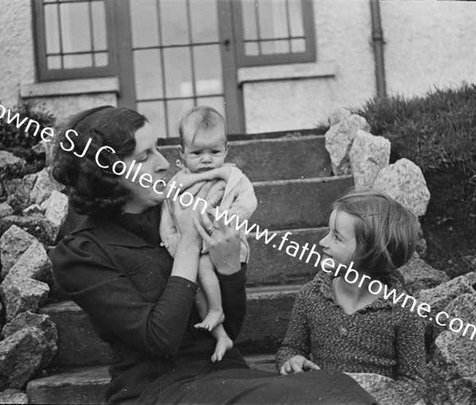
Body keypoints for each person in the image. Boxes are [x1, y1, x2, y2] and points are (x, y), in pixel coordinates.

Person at [49, 105, 377, 404]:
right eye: (144, 156)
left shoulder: (174, 211)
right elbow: (159, 338)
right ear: (106, 172)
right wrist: (190, 243)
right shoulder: (81, 253)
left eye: (158, 149)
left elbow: (228, 329)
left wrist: (230, 269)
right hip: (157, 390)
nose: (163, 163)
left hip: (223, 373)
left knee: (338, 389)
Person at [276, 190, 427, 405]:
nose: (322, 242)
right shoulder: (311, 296)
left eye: (336, 237)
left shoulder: (403, 310)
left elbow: (414, 382)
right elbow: (290, 348)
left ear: (371, 253)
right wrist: (291, 361)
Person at [160, 106, 257, 363]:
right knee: (193, 284)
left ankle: (217, 311)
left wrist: (226, 221)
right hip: (192, 246)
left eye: (214, 152)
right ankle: (220, 333)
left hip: (223, 242)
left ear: (226, 150)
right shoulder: (177, 183)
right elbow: (167, 215)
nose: (206, 159)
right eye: (196, 153)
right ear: (181, 154)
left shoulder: (232, 177)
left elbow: (248, 203)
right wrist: (170, 239)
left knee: (202, 268)